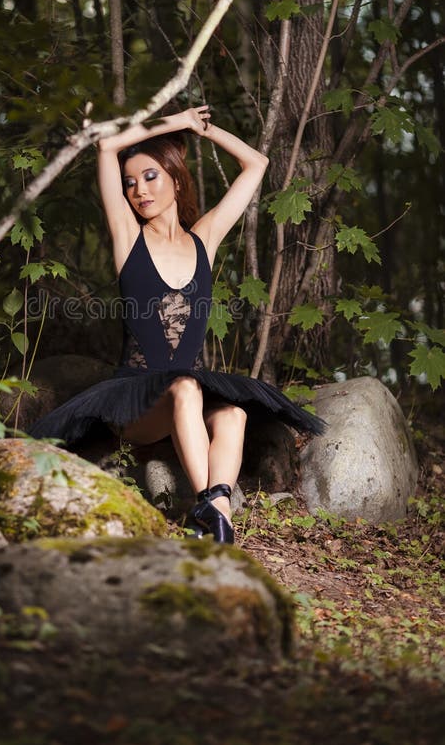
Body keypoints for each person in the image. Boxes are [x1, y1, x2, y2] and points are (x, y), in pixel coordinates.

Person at [29, 105, 324, 543]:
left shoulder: (203, 240)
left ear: (176, 179)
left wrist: (206, 132)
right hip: (136, 401)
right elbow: (108, 145)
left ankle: (216, 512)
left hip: (188, 396)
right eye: (131, 183)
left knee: (234, 415)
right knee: (185, 388)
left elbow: (256, 164)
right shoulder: (129, 239)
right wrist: (178, 122)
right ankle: (210, 507)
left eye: (150, 176)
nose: (138, 190)